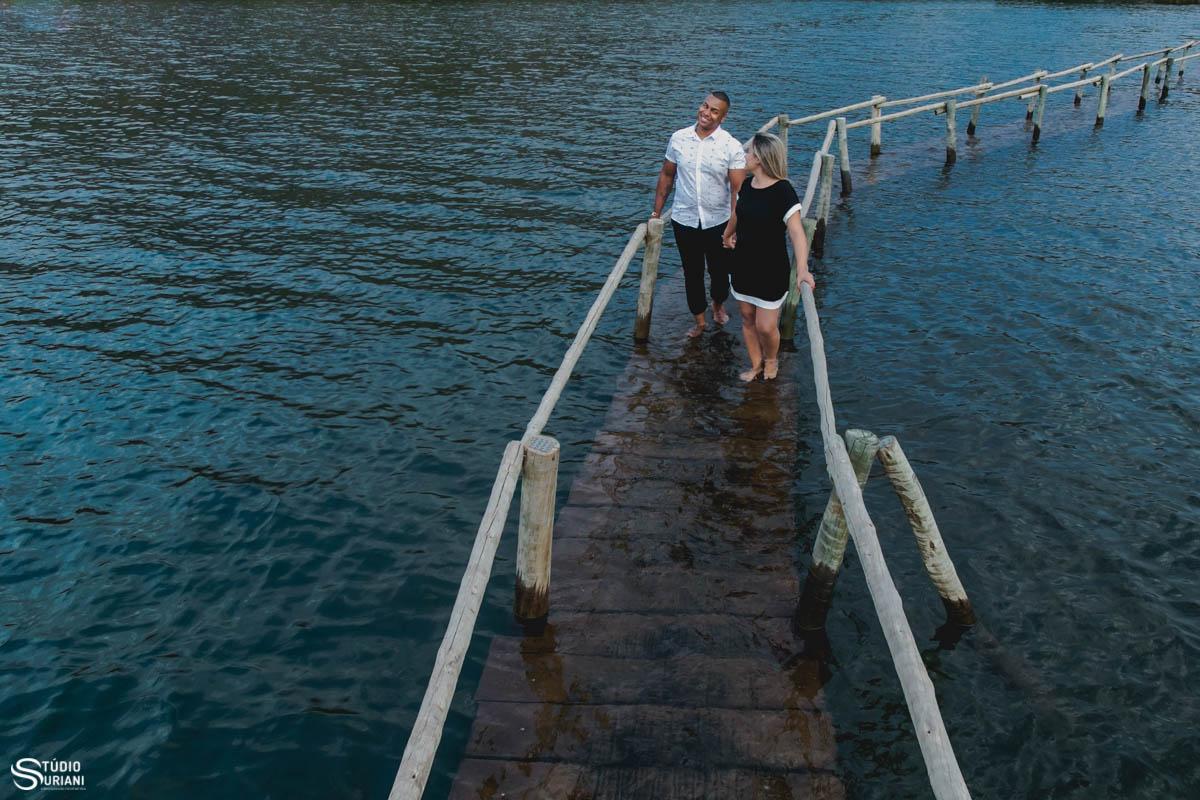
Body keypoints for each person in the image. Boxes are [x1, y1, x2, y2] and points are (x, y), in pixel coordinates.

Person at [650, 92, 746, 338]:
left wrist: (733, 228)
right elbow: (667, 175)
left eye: (714, 111)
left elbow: (737, 190)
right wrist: (656, 212)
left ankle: (718, 304)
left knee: (720, 273)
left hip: (719, 222)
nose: (706, 113)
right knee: (691, 272)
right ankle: (700, 321)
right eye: (705, 106)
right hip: (684, 219)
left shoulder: (730, 146)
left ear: (723, 117)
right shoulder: (679, 138)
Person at [721, 132, 815, 382]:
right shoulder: (746, 186)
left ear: (760, 159)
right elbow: (737, 214)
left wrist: (802, 269)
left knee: (765, 326)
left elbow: (797, 233)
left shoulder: (784, 191)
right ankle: (756, 364)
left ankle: (771, 358)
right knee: (747, 319)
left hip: (771, 270)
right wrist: (727, 235)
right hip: (742, 264)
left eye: (749, 151)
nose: (745, 155)